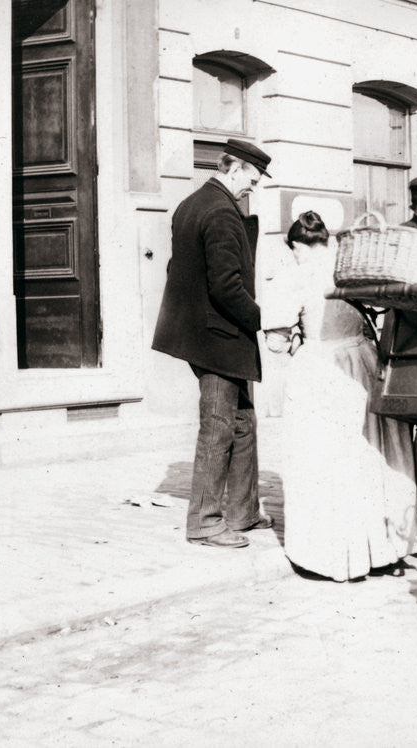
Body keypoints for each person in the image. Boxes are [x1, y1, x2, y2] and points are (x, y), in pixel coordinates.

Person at [261, 211, 417, 581]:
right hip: (363, 362)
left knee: (324, 458)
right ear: (327, 242)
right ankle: (387, 551)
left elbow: (275, 342)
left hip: (322, 367)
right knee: (374, 452)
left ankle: (334, 557)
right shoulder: (352, 268)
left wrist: (296, 341)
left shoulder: (291, 277)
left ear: (297, 246)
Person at [152, 138, 274, 548]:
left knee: (242, 420)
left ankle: (243, 511)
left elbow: (179, 268)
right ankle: (204, 521)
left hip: (201, 332)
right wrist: (266, 321)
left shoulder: (192, 203)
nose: (251, 189)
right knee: (219, 426)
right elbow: (226, 287)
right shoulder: (222, 212)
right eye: (252, 181)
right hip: (217, 336)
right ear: (234, 168)